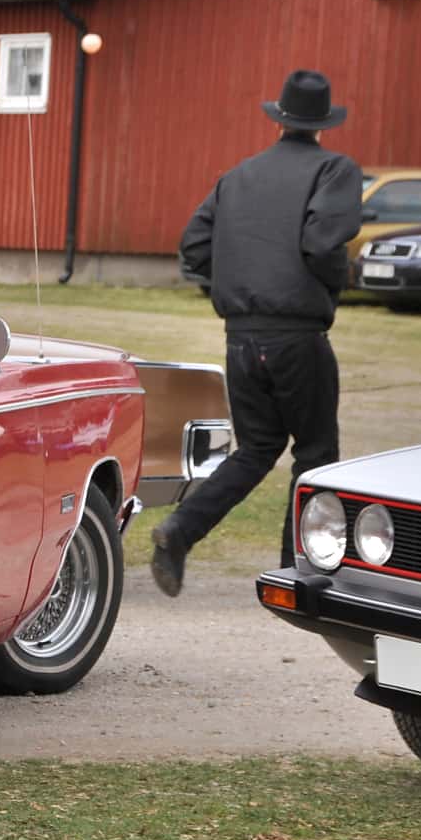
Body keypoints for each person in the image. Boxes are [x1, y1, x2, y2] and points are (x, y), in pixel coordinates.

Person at [153, 70, 362, 596]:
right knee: (316, 455)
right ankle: (299, 570)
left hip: (241, 338)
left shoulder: (238, 176)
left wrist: (237, 284)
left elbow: (194, 248)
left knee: (255, 449)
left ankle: (180, 530)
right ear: (323, 123)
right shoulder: (334, 169)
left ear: (279, 120)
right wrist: (333, 284)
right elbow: (323, 245)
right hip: (297, 337)